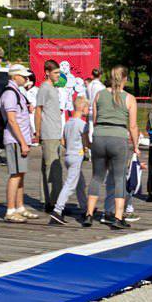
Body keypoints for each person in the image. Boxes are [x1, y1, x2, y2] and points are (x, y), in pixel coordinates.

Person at [85, 65, 140, 229]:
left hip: (99, 136)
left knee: (96, 177)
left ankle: (88, 214)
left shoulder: (99, 95)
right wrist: (136, 146)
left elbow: (95, 120)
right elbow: (133, 126)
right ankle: (117, 216)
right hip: (119, 138)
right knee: (119, 178)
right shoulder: (129, 98)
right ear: (125, 79)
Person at [0, 64, 37, 222]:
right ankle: (10, 209)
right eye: (23, 76)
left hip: (21, 139)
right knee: (14, 175)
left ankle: (20, 206)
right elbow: (12, 121)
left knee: (21, 173)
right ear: (15, 77)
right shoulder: (10, 94)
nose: (26, 78)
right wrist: (22, 142)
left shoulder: (17, 92)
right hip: (15, 139)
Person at [50, 95, 91, 225]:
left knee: (80, 183)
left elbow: (63, 140)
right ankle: (57, 210)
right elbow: (86, 142)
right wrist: (92, 148)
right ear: (83, 107)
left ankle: (85, 208)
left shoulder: (68, 123)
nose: (88, 110)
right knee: (70, 185)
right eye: (88, 107)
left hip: (68, 155)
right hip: (76, 156)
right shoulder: (82, 124)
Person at [34, 59, 66, 211]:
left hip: (55, 131)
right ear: (47, 72)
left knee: (52, 166)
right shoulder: (44, 88)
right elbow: (38, 110)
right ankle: (53, 203)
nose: (58, 75)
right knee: (53, 168)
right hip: (49, 132)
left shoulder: (52, 87)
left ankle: (48, 200)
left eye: (59, 72)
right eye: (56, 72)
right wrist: (38, 131)